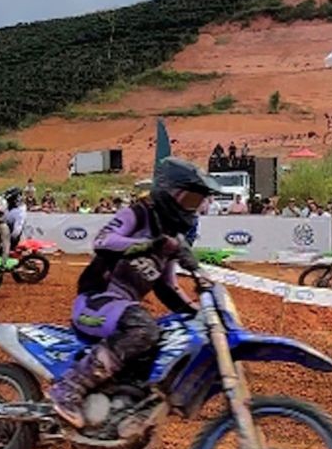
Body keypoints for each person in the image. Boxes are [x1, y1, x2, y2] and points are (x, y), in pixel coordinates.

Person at [48, 157, 217, 429]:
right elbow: (103, 242)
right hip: (96, 302)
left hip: (121, 310)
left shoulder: (169, 237)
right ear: (169, 192)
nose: (193, 209)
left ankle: (120, 420)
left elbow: (168, 288)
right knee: (144, 330)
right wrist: (150, 244)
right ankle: (68, 389)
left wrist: (200, 311)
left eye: (198, 203)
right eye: (190, 201)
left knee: (167, 340)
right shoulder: (139, 214)